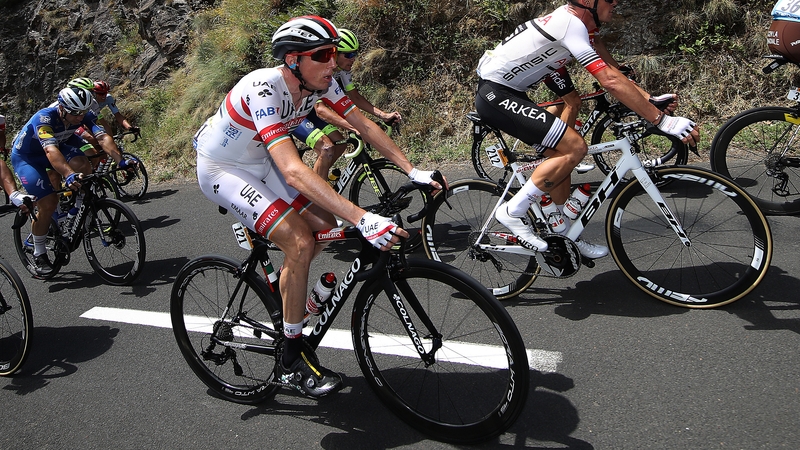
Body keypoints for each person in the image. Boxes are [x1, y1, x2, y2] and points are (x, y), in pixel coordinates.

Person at [193, 15, 441, 399]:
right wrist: (362, 216)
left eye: (334, 54)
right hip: (222, 168)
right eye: (323, 54)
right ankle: (290, 361)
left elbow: (365, 125)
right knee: (300, 241)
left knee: (323, 224)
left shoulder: (320, 84)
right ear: (293, 60)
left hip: (259, 162)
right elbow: (293, 170)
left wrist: (414, 169)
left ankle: (294, 298)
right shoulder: (264, 88)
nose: (333, 63)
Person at [475, 0, 698, 259]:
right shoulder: (570, 24)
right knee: (575, 147)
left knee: (562, 161)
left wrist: (649, 99)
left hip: (512, 91)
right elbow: (610, 80)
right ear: (588, 2)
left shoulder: (584, 27)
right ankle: (513, 210)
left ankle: (564, 233)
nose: (616, 3)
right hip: (495, 93)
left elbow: (613, 70)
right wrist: (662, 121)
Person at [11, 86, 131, 275]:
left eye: (83, 112)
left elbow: (103, 137)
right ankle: (39, 252)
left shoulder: (83, 114)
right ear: (61, 108)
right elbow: (51, 151)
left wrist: (121, 161)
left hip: (60, 145)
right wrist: (68, 175)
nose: (79, 117)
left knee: (84, 164)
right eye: (75, 113)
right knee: (49, 203)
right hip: (29, 158)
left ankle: (76, 210)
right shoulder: (44, 118)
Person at [310, 28, 404, 178]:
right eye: (349, 55)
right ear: (334, 53)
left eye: (355, 54)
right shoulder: (320, 71)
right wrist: (354, 127)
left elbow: (354, 96)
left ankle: (321, 178)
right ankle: (313, 192)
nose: (353, 59)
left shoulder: (343, 71)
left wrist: (383, 115)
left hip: (313, 111)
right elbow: (320, 109)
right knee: (327, 148)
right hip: (301, 114)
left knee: (340, 144)